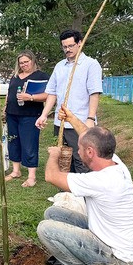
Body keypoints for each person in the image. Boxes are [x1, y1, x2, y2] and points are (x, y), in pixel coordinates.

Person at [37, 106, 133, 265]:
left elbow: (51, 176)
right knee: (53, 214)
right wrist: (71, 118)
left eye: (80, 149)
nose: (78, 151)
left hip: (117, 259)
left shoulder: (100, 181)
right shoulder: (114, 162)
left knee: (45, 229)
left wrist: (54, 155)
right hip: (108, 240)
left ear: (91, 152)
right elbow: (87, 135)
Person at [35, 30, 103, 172]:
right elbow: (52, 93)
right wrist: (43, 115)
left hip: (80, 122)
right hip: (60, 123)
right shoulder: (60, 66)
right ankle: (65, 192)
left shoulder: (91, 64)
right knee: (62, 160)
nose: (68, 49)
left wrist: (90, 118)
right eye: (64, 47)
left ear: (80, 43)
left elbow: (94, 93)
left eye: (71, 46)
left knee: (82, 160)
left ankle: (83, 193)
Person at [4, 51, 49, 187]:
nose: (23, 65)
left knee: (29, 144)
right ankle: (16, 170)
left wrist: (30, 97)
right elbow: (9, 93)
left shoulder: (41, 76)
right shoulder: (15, 76)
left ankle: (31, 176)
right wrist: (5, 109)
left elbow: (49, 95)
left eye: (26, 62)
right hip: (12, 114)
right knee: (14, 142)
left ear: (33, 61)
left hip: (30, 115)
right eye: (21, 62)